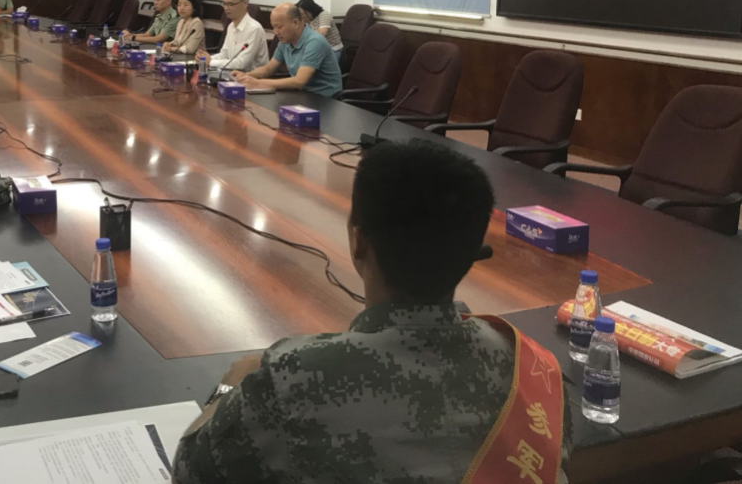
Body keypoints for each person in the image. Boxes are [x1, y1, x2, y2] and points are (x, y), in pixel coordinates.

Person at [174, 139, 570, 484]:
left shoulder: (293, 377)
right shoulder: (533, 372)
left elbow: (192, 472)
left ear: (357, 242)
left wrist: (229, 387)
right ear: (472, 254)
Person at [233, 3, 343, 97]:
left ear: (295, 23)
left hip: (326, 99)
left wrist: (258, 84)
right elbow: (269, 69)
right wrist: (246, 76)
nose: (276, 32)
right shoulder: (285, 41)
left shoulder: (314, 42)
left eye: (279, 27)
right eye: (273, 27)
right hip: (303, 94)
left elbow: (299, 81)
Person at [197, 0, 268, 74]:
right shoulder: (231, 26)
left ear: (245, 3)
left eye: (230, 4)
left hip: (252, 78)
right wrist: (205, 59)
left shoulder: (254, 29)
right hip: (231, 75)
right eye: (224, 3)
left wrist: (210, 62)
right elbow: (225, 54)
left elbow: (242, 63)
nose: (226, 8)